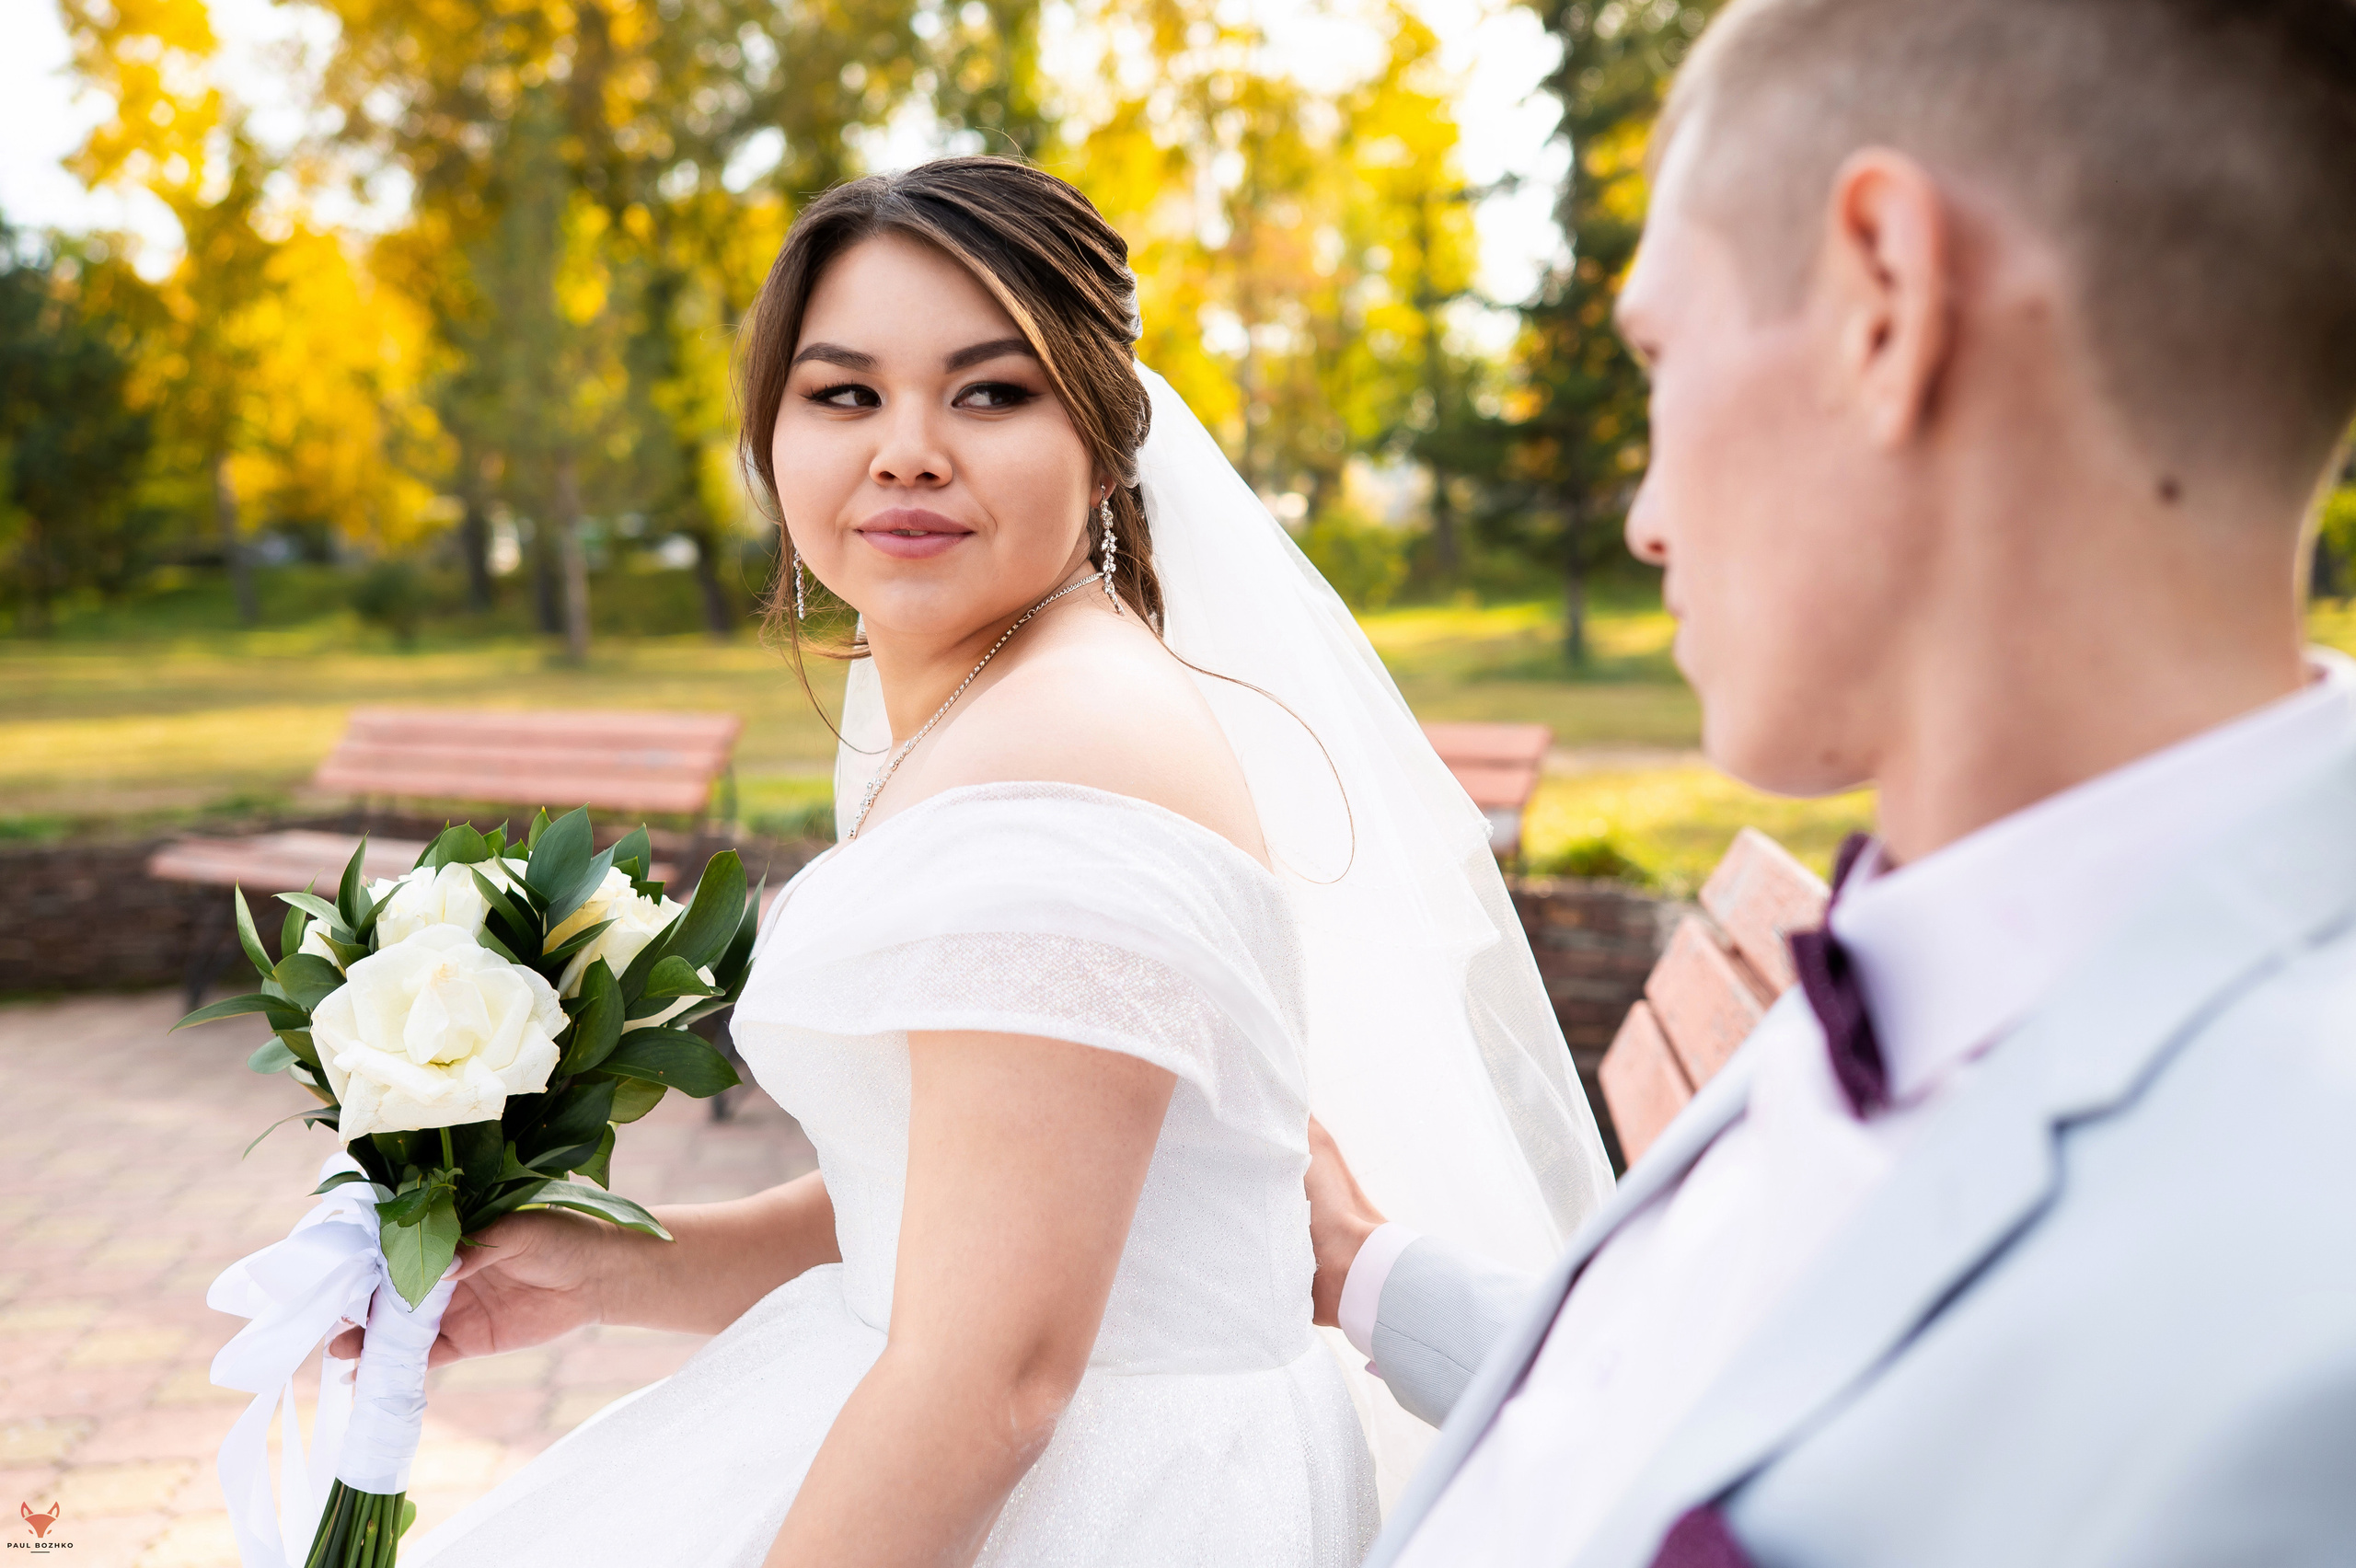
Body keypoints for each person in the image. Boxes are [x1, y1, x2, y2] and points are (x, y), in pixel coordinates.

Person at [390, 157, 1614, 1567]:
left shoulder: (1065, 752)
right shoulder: (998, 694)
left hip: (1099, 1501)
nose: (906, 449)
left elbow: (995, 1387)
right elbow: (941, 1202)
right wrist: (610, 1265)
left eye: (991, 392)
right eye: (844, 393)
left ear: (1104, 436)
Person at [1303, 1, 2356, 1564]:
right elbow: (1751, 1397)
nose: (1647, 518)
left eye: (1659, 354)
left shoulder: (2295, 1325)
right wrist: (1370, 1273)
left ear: (1884, 300)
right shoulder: (1952, 936)